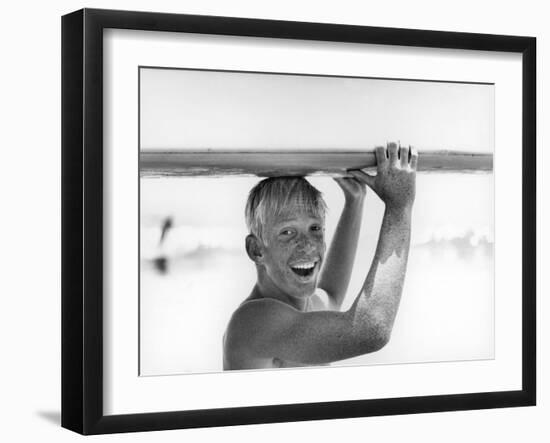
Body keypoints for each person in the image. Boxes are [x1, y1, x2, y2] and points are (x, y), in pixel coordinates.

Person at [223, 142, 418, 370]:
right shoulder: (254, 322)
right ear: (256, 250)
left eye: (315, 228)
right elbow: (371, 330)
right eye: (287, 232)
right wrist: (399, 206)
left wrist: (355, 201)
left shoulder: (307, 306)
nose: (307, 245)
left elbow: (332, 295)